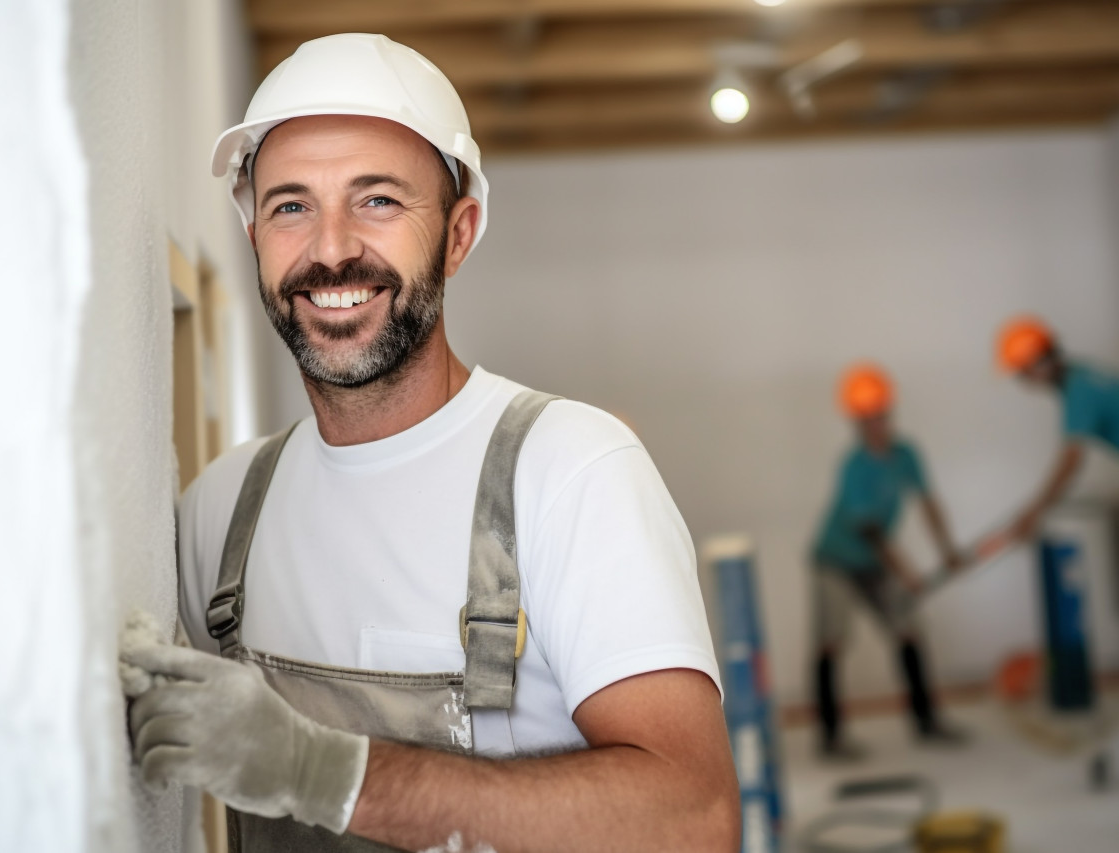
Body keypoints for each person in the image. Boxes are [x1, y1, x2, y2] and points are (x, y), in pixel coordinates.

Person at [120, 33, 738, 852]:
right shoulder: (223, 511)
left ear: (457, 232)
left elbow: (695, 819)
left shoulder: (570, 473)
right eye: (291, 205)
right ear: (256, 240)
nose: (332, 248)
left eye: (377, 200)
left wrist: (320, 770)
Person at [810, 364, 966, 760]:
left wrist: (948, 549)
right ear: (857, 423)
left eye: (880, 415)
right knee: (832, 642)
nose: (876, 424)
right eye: (867, 419)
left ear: (889, 413)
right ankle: (830, 737)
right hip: (836, 561)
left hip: (875, 564)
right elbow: (873, 532)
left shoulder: (906, 455)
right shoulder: (854, 466)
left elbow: (928, 501)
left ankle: (927, 722)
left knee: (909, 632)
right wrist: (907, 572)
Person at [996, 315, 1119, 542]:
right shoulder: (1082, 374)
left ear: (1040, 361)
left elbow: (1070, 461)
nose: (1023, 381)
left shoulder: (1078, 390)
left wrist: (1034, 512)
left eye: (1022, 372)